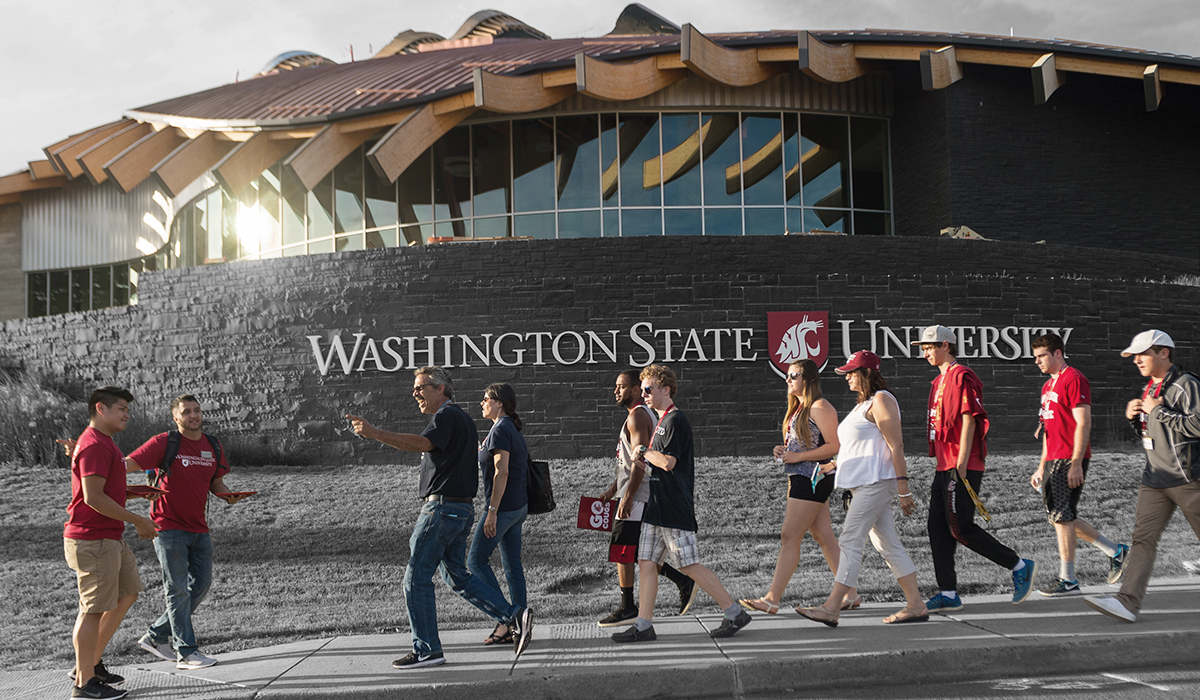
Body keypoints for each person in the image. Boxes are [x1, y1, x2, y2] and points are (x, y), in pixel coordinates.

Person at [347, 366, 532, 668]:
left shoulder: (446, 416)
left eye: (421, 387)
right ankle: (513, 615)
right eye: (415, 388)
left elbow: (422, 444)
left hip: (442, 510)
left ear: (440, 388)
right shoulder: (463, 420)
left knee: (415, 578)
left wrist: (374, 433)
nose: (415, 393)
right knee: (456, 575)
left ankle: (427, 650)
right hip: (461, 510)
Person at [612, 364, 752, 642]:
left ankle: (735, 612)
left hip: (674, 506)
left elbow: (667, 462)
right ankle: (643, 626)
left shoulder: (675, 421)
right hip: (657, 506)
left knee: (688, 565)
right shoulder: (661, 420)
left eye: (649, 389)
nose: (645, 394)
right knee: (646, 561)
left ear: (666, 389)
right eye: (643, 390)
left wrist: (643, 452)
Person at [796, 351, 928, 627]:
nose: (847, 377)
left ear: (868, 373)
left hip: (876, 483)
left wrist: (904, 489)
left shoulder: (882, 400)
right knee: (887, 544)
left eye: (852, 373)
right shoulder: (863, 405)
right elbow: (860, 446)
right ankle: (916, 605)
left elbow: (896, 445)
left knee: (849, 541)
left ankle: (832, 608)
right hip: (863, 484)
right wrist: (831, 466)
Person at [913, 325, 1036, 611]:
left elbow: (970, 419)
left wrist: (962, 462)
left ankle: (1019, 566)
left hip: (961, 464)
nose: (926, 352)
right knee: (937, 528)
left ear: (946, 345)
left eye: (929, 347)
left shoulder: (962, 376)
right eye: (923, 348)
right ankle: (948, 593)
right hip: (944, 465)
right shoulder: (938, 381)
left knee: (961, 528)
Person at [1086, 330, 1200, 622]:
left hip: (1188, 478)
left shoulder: (1187, 385)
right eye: (1134, 356)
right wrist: (1136, 419)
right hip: (1155, 479)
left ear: (1164, 353)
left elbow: (1197, 426)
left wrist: (1158, 412)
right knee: (1142, 540)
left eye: (1143, 353)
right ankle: (1127, 603)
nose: (1137, 360)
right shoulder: (1149, 388)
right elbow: (1153, 432)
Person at [126, 394, 247, 670]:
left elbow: (217, 484)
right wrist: (90, 460)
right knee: (177, 589)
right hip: (168, 527)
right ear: (175, 417)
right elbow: (126, 464)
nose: (193, 415)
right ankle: (186, 652)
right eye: (186, 412)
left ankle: (156, 635)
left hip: (198, 528)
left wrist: (231, 496)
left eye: (197, 410)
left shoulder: (213, 445)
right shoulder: (164, 442)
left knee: (201, 585)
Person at [63, 387, 157, 700]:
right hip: (93, 538)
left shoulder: (106, 444)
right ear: (100, 409)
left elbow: (107, 487)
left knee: (128, 592)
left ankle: (89, 663)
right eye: (121, 409)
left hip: (109, 536)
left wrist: (137, 491)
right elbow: (92, 497)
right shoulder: (93, 445)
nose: (127, 414)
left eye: (127, 409)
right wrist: (138, 519)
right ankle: (84, 684)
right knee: (91, 610)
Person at [738, 359, 846, 615]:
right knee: (824, 536)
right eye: (788, 375)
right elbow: (803, 444)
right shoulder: (798, 408)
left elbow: (834, 446)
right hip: (801, 476)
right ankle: (850, 594)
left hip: (813, 478)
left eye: (794, 376)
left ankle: (772, 599)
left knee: (789, 536)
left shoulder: (819, 406)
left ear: (808, 379)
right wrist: (784, 451)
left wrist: (797, 457)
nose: (788, 380)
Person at [1028, 333, 1129, 596]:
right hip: (1053, 458)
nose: (1037, 361)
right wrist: (1041, 466)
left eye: (1041, 356)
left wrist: (1076, 464)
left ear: (1058, 353)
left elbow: (1083, 423)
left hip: (1070, 458)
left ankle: (1068, 579)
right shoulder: (1047, 386)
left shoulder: (1074, 379)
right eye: (1035, 357)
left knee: (1061, 517)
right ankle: (1115, 551)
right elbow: (1048, 431)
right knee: (1060, 517)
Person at [597, 370, 697, 627]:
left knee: (622, 551)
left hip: (638, 496)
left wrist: (628, 497)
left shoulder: (638, 415)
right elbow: (628, 463)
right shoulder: (642, 415)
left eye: (621, 387)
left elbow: (640, 460)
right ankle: (679, 582)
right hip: (633, 492)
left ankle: (628, 606)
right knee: (639, 553)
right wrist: (613, 489)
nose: (616, 391)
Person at [469, 383, 530, 646]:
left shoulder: (501, 429)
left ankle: (507, 619)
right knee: (512, 566)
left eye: (486, 399)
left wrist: (492, 511)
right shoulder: (508, 428)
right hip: (518, 507)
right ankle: (521, 623)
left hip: (503, 508)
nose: (481, 403)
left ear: (500, 403)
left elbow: (501, 472)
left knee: (475, 561)